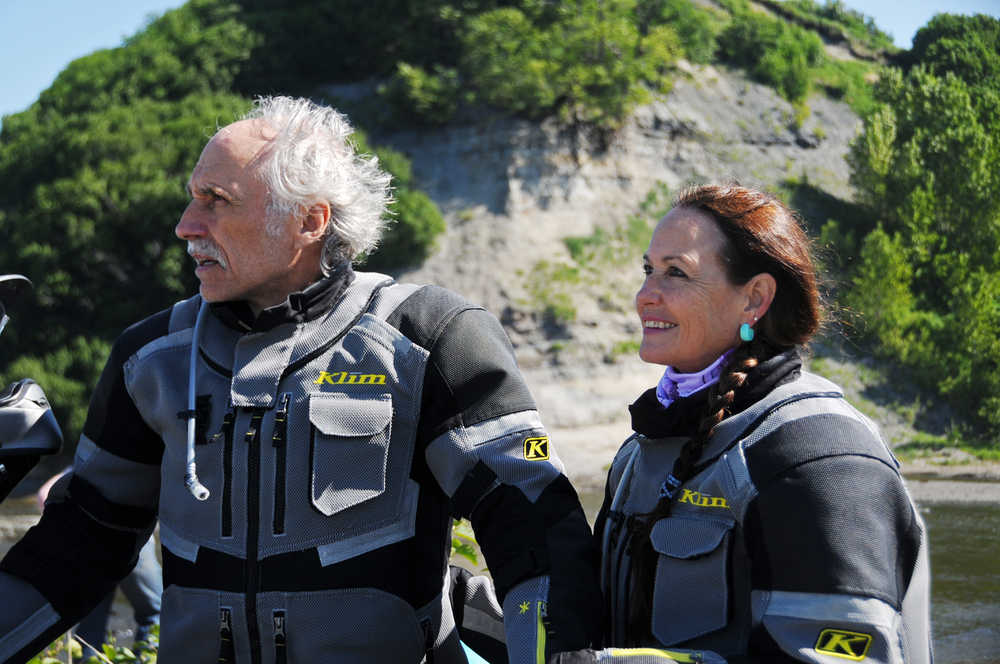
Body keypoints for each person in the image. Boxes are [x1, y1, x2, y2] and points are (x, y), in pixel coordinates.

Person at [0, 96, 601, 664]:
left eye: (216, 200)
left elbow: (534, 520)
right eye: (191, 198)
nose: (186, 225)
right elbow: (76, 544)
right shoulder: (150, 357)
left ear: (310, 221)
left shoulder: (433, 335)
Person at [551, 185, 933, 663]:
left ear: (754, 299)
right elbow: (596, 630)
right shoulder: (639, 453)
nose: (645, 296)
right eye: (648, 270)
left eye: (676, 273)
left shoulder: (821, 456)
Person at [35, 470, 162, 660]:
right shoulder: (135, 455)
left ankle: (89, 660)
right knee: (155, 611)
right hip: (132, 542)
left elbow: (43, 494)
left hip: (90, 544)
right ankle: (147, 659)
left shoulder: (89, 460)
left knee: (93, 612)